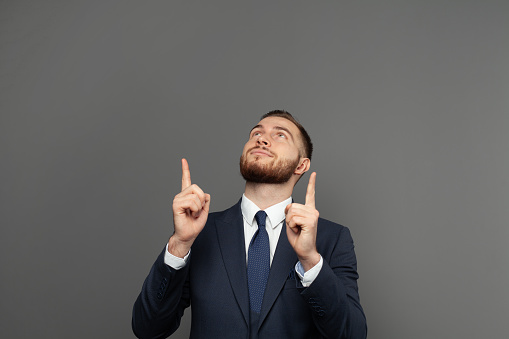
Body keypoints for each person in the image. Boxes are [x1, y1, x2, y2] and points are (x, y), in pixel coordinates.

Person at [132, 110, 367, 339]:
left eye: (280, 135)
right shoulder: (199, 232)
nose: (262, 139)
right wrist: (179, 244)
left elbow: (352, 334)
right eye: (256, 133)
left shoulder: (332, 239)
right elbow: (148, 329)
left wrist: (310, 261)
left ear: (301, 165)